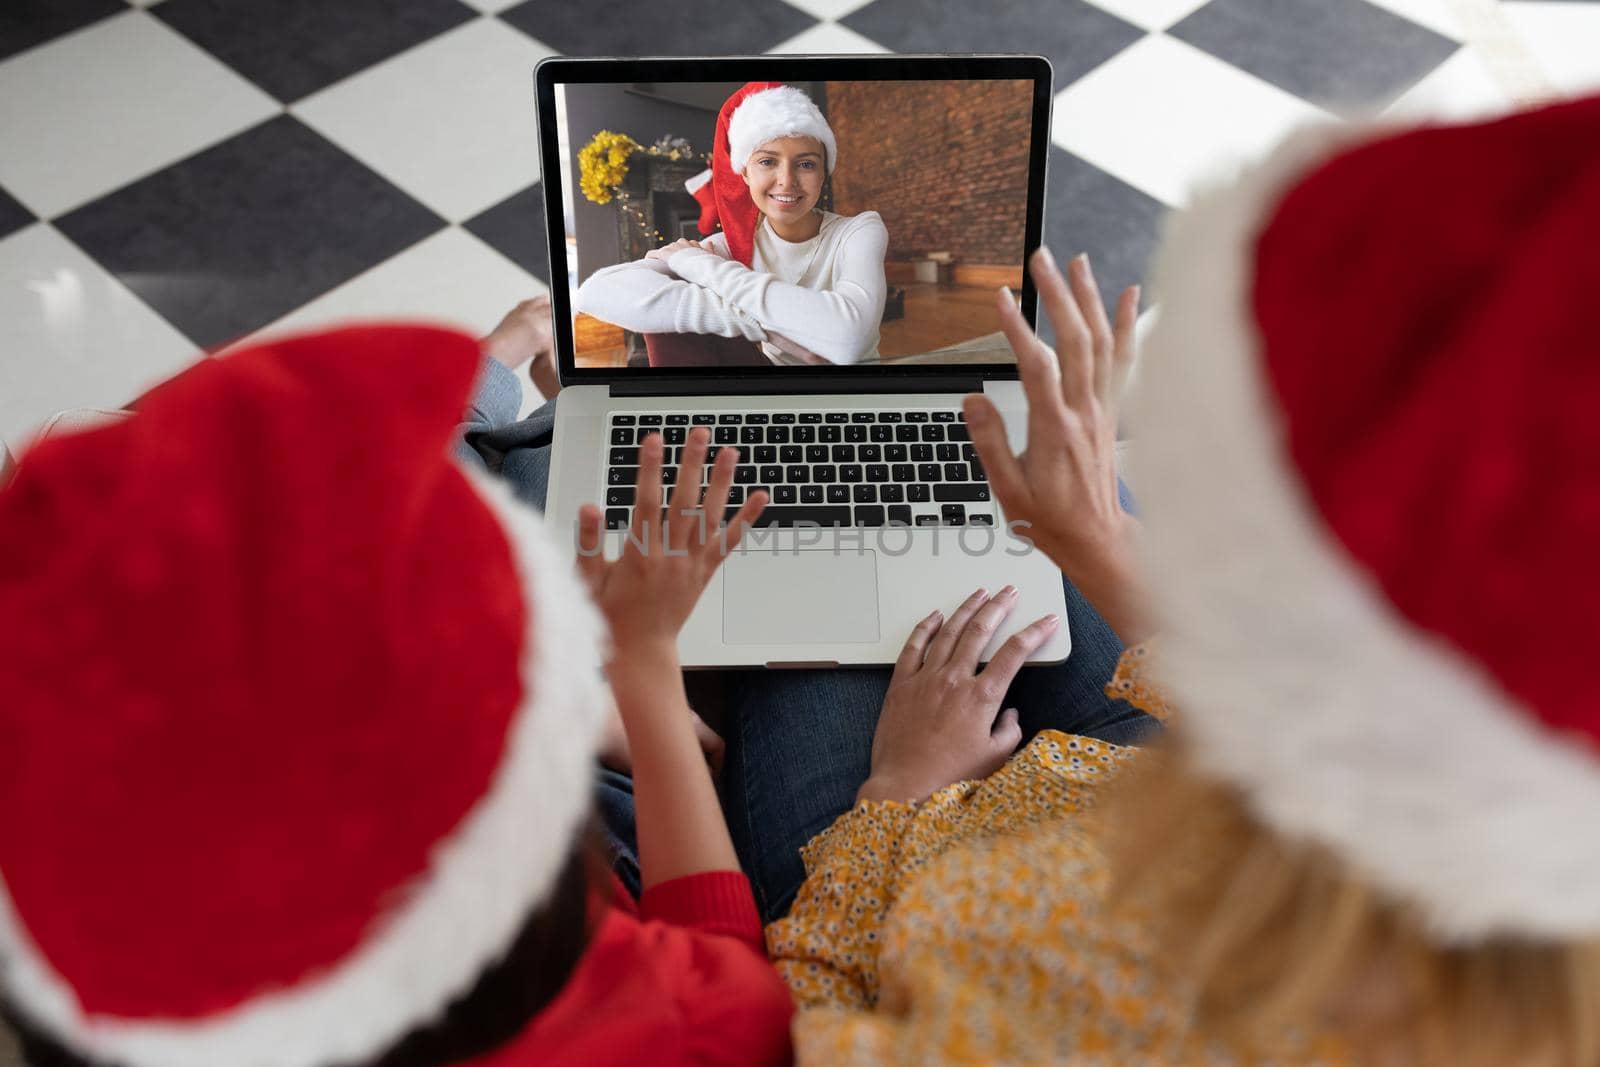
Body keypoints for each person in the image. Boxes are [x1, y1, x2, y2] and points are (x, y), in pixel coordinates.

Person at [763, 93, 1600, 1065]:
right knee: (1059, 491)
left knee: (802, 594)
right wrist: (1104, 545)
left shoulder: (1020, 941)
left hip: (913, 852)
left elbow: (802, 1028)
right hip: (1145, 763)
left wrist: (895, 796)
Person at [0, 324, 794, 1067]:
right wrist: (642, 672)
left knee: (496, 469)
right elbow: (733, 977)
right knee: (532, 474)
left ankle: (520, 382)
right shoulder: (658, 1024)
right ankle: (525, 393)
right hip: (621, 837)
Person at [575, 82, 889, 367]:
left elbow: (849, 341)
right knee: (667, 324)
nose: (787, 181)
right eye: (767, 162)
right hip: (771, 395)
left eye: (806, 164)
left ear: (824, 173)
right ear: (745, 174)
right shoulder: (730, 245)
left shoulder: (859, 231)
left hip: (852, 392)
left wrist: (695, 263)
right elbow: (593, 293)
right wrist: (766, 326)